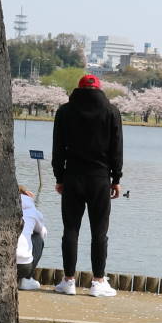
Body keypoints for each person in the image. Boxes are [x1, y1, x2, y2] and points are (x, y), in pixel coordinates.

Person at [50, 74, 123, 298]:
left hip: (72, 177)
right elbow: (116, 148)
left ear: (78, 88)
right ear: (99, 89)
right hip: (100, 178)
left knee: (70, 230)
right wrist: (116, 178)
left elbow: (58, 148)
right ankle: (98, 282)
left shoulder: (64, 111)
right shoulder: (111, 111)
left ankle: (68, 281)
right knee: (99, 232)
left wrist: (59, 177)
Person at [16, 185, 47, 291]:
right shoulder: (32, 211)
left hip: (3, 264)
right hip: (23, 267)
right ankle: (26, 279)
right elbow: (43, 232)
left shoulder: (0, 206)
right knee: (38, 238)